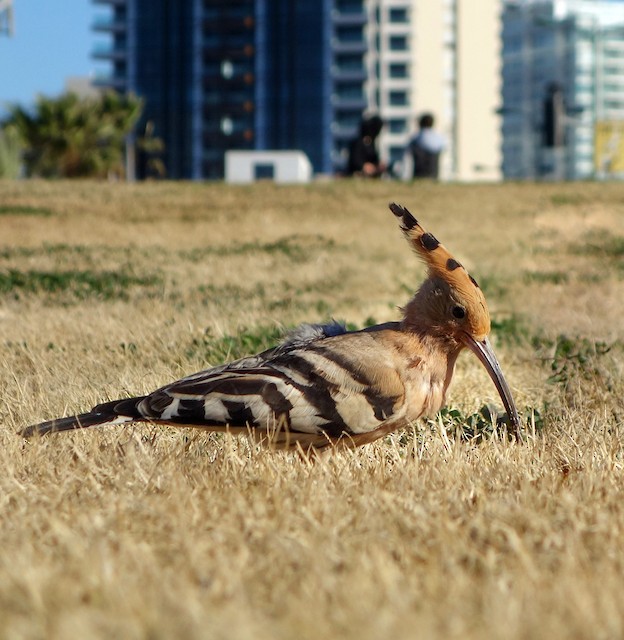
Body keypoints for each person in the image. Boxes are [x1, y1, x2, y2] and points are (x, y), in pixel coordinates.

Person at [407, 113, 446, 179]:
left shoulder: (417, 137)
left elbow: (408, 150)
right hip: (434, 172)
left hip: (419, 172)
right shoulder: (439, 137)